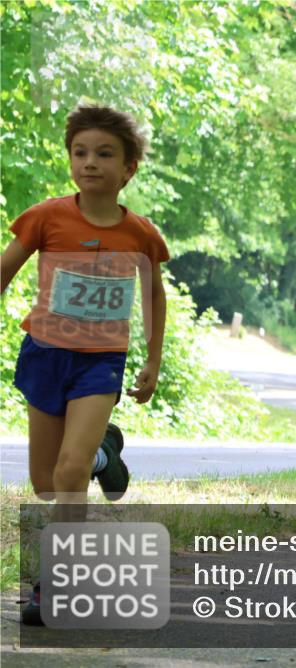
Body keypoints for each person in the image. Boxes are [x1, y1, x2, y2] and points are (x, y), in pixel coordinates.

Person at [0, 105, 169, 625]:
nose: (89, 162)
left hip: (100, 363)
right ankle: (104, 456)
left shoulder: (140, 233)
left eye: (104, 154)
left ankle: (53, 586)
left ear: (129, 168)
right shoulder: (46, 218)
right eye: (80, 152)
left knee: (67, 471)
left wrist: (153, 360)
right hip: (45, 356)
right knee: (47, 483)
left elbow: (154, 297)